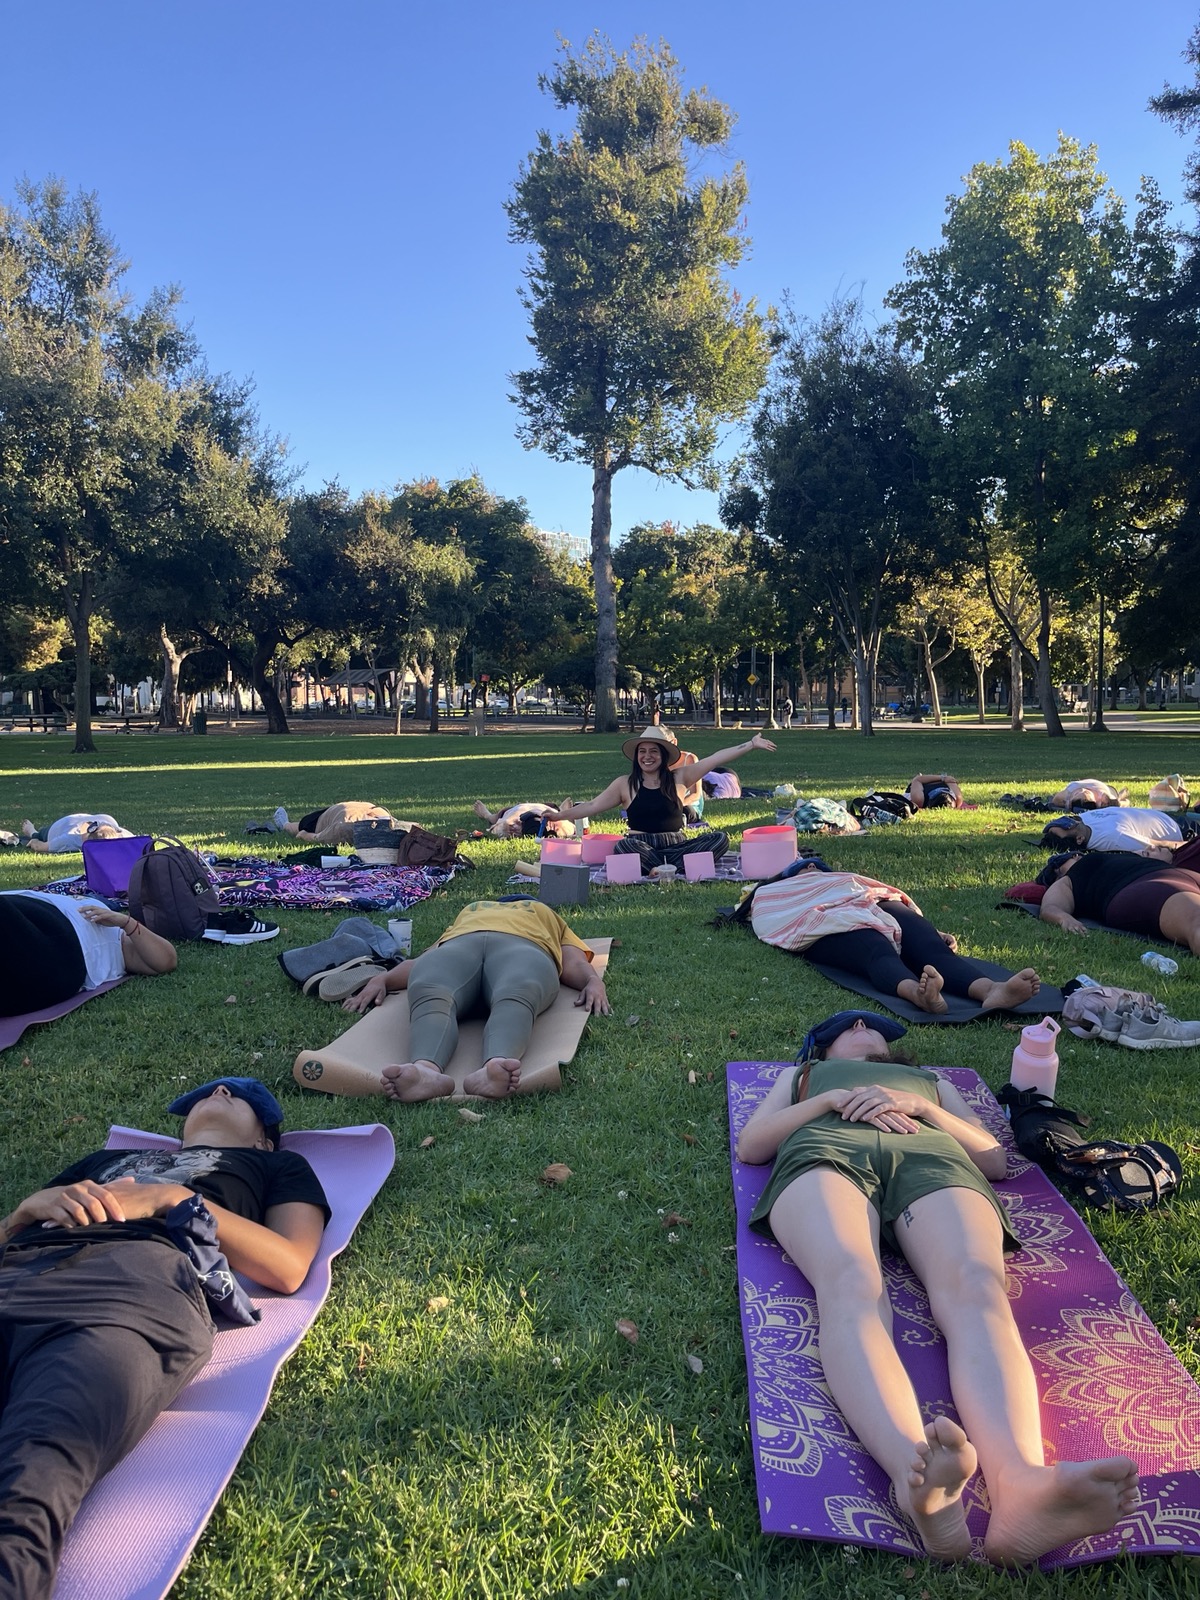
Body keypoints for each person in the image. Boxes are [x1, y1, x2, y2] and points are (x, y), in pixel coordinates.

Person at [736, 1011, 1138, 1565]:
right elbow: (752, 1145)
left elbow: (993, 1159)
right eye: (848, 1025)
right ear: (823, 1050)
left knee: (977, 1287)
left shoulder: (931, 1081)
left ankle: (1021, 1486)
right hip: (826, 1151)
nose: (863, 1023)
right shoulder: (802, 1076)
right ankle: (913, 1475)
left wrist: (921, 1106)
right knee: (850, 1281)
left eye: (873, 1025)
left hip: (932, 1158)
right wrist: (829, 1101)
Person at [0, 1078, 329, 1600]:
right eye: (208, 1092)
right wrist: (22, 1213)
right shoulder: (106, 1161)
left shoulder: (276, 1166)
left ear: (264, 1141)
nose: (220, 1090)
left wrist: (172, 1198)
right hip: (19, 1271)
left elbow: (288, 1265)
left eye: (238, 1095)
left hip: (129, 1292)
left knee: (29, 1481)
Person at [341, 898, 610, 1101]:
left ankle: (424, 1068)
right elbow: (573, 962)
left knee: (432, 994)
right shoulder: (544, 912)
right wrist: (592, 980)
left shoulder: (473, 909)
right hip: (523, 947)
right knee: (517, 995)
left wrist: (384, 979)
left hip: (463, 945)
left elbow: (425, 961)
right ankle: (496, 1064)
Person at [746, 867, 1040, 1014]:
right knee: (875, 948)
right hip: (822, 914)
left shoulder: (845, 878)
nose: (810, 868)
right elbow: (769, 912)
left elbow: (877, 891)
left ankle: (992, 990)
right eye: (804, 867)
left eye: (813, 866)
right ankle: (918, 994)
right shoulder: (775, 889)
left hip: (870, 898)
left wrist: (934, 931)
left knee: (928, 946)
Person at [544, 725, 776, 872]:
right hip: (641, 844)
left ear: (663, 755)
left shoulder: (680, 777)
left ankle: (661, 867)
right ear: (636, 756)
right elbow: (593, 806)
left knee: (719, 839)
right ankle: (677, 867)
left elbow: (715, 758)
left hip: (676, 844)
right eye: (642, 751)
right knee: (624, 846)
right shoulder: (624, 784)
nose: (647, 756)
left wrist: (751, 744)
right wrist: (559, 816)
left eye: (653, 751)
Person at [0, 890, 177, 1016]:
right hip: (44, 921)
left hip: (64, 948)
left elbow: (167, 960)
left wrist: (126, 922)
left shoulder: (123, 943)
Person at [1037, 844, 1200, 954]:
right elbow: (1050, 907)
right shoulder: (1068, 879)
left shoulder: (1125, 856)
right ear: (1057, 873)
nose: (1075, 856)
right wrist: (1064, 918)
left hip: (1178, 874)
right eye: (1063, 860)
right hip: (1144, 886)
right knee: (1195, 920)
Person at [1039, 807, 1191, 856]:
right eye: (1067, 827)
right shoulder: (1115, 839)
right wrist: (1192, 844)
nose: (1068, 821)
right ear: (1079, 839)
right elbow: (1159, 845)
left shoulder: (1081, 821)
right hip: (1179, 827)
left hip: (1159, 814)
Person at [269, 802, 411, 845]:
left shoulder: (393, 825)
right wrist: (304, 835)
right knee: (299, 826)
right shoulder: (344, 829)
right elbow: (305, 835)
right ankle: (285, 824)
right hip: (327, 816)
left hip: (354, 807)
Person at [20, 814, 134, 854]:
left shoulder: (123, 835)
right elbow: (39, 846)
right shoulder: (71, 838)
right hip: (60, 826)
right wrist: (34, 839)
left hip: (94, 818)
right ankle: (32, 831)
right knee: (39, 835)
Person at [471, 800, 575, 840]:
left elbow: (495, 829)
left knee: (496, 819)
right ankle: (562, 811)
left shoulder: (511, 822)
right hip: (546, 808)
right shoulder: (559, 825)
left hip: (520, 809)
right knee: (564, 824)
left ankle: (487, 815)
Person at [1048, 779, 1127, 811]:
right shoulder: (1071, 791)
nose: (1083, 791)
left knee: (1116, 801)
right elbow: (1056, 800)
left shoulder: (1102, 794)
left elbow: (1055, 799)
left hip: (1100, 786)